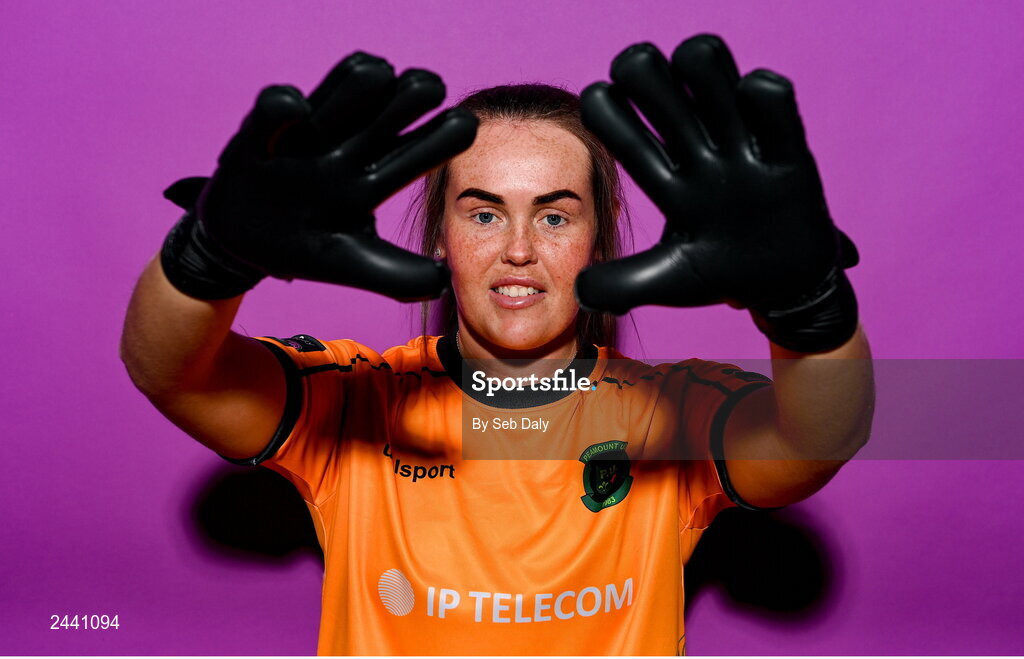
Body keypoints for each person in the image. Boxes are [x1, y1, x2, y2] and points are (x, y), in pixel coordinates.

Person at [121, 35, 874, 655]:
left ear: (598, 236)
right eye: (483, 214)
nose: (518, 249)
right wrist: (209, 258)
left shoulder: (669, 414)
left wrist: (806, 304)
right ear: (440, 235)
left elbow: (819, 435)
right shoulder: (353, 402)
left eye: (555, 215)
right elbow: (171, 372)